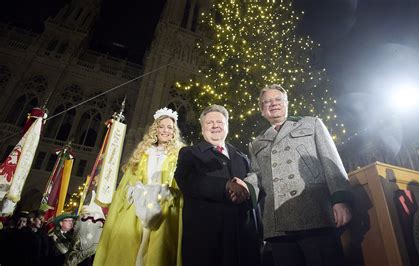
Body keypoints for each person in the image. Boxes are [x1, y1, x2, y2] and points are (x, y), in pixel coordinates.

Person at [246, 84, 353, 266]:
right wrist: (245, 186)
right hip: (278, 224)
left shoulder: (311, 123)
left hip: (315, 214)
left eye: (277, 99)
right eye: (267, 102)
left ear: (286, 103)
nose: (273, 104)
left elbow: (331, 162)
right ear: (262, 111)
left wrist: (340, 198)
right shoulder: (256, 143)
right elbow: (257, 176)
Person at [94, 107, 185, 266]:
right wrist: (133, 191)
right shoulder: (143, 153)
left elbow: (182, 185)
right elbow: (127, 182)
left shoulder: (179, 155)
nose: (165, 130)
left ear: (174, 131)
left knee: (156, 253)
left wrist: (169, 194)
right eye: (161, 126)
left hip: (163, 208)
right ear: (155, 129)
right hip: (136, 207)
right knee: (127, 249)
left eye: (169, 127)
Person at [174, 104, 260, 266]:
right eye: (209, 123)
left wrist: (247, 191)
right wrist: (225, 186)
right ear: (202, 128)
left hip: (243, 240)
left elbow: (255, 188)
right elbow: (186, 180)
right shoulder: (189, 153)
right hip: (206, 239)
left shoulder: (242, 156)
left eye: (219, 122)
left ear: (227, 126)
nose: (215, 126)